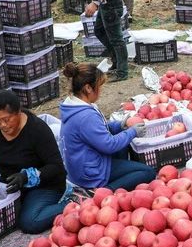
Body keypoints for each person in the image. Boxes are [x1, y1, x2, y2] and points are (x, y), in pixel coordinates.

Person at [0, 90, 68, 234]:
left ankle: (70, 203)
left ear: (18, 112)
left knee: (30, 222)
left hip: (45, 185)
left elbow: (56, 167)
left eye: (7, 119)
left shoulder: (37, 129)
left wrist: (26, 176)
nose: (3, 125)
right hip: (11, 183)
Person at [60, 62, 156, 191]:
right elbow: (109, 145)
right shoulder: (85, 116)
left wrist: (121, 125)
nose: (101, 90)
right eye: (99, 86)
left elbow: (98, 131)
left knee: (122, 136)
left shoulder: (75, 105)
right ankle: (103, 192)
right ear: (88, 88)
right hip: (90, 175)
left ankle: (119, 171)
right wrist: (133, 132)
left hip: (84, 165)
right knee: (148, 173)